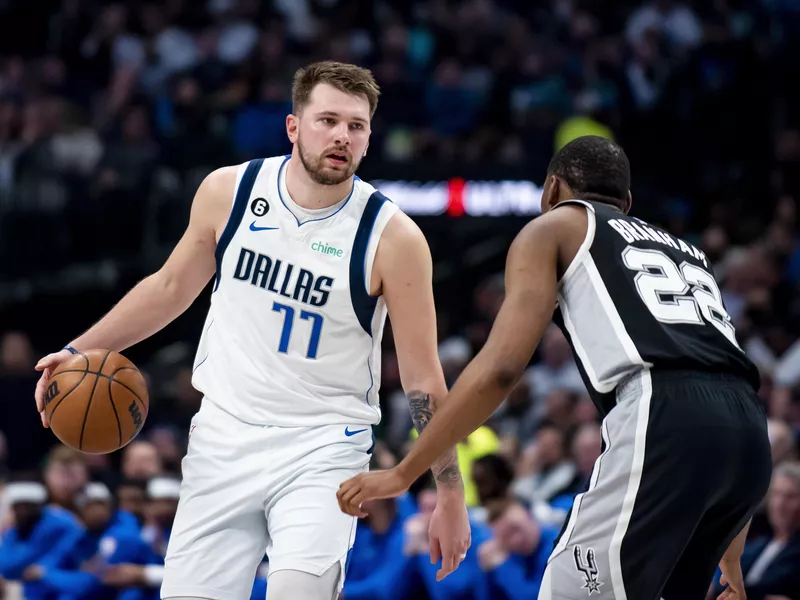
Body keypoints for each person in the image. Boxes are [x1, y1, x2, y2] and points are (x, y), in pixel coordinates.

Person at [34, 61, 470, 600]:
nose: (341, 136)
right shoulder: (230, 191)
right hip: (223, 435)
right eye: (327, 120)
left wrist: (450, 494)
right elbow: (170, 288)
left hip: (324, 447)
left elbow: (425, 380)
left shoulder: (394, 238)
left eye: (356, 126)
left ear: (369, 138)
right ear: (293, 127)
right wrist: (80, 349)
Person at [338, 135, 773, 600]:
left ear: (550, 190)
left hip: (660, 414)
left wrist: (406, 472)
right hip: (749, 431)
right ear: (625, 202)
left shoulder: (555, 227)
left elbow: (502, 369)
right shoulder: (688, 252)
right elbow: (718, 400)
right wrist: (730, 561)